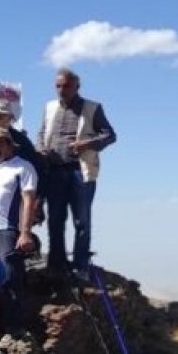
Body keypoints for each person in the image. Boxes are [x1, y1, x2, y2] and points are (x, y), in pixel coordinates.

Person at [36, 68, 117, 280]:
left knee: (81, 221)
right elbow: (41, 133)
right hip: (54, 170)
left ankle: (80, 266)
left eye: (66, 86)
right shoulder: (49, 107)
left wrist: (87, 143)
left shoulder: (92, 107)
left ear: (77, 87)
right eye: (58, 86)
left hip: (80, 171)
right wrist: (41, 149)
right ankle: (56, 263)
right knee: (55, 219)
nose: (62, 90)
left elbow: (110, 135)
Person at [0, 127, 38, 331]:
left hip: (7, 229)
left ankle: (15, 327)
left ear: (9, 145)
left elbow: (29, 201)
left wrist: (25, 232)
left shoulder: (23, 167)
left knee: (9, 275)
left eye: (0, 143)